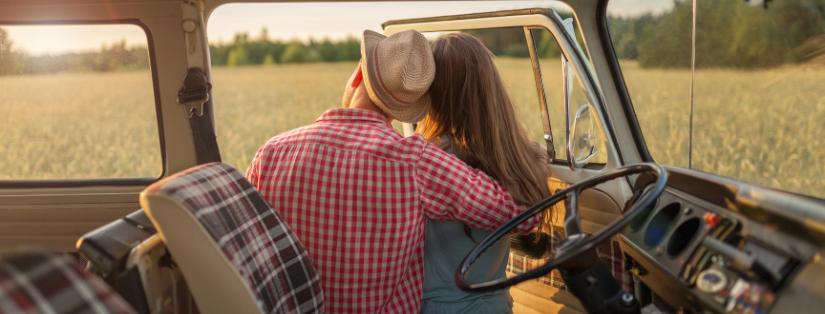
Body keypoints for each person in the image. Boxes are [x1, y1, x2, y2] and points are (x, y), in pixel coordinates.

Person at [246, 29, 539, 313]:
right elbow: (521, 215)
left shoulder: (271, 152)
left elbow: (248, 255)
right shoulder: (416, 161)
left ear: (359, 75)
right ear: (407, 105)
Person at [417, 32, 552, 314]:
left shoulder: (426, 162)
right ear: (490, 88)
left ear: (431, 92)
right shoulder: (516, 159)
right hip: (496, 305)